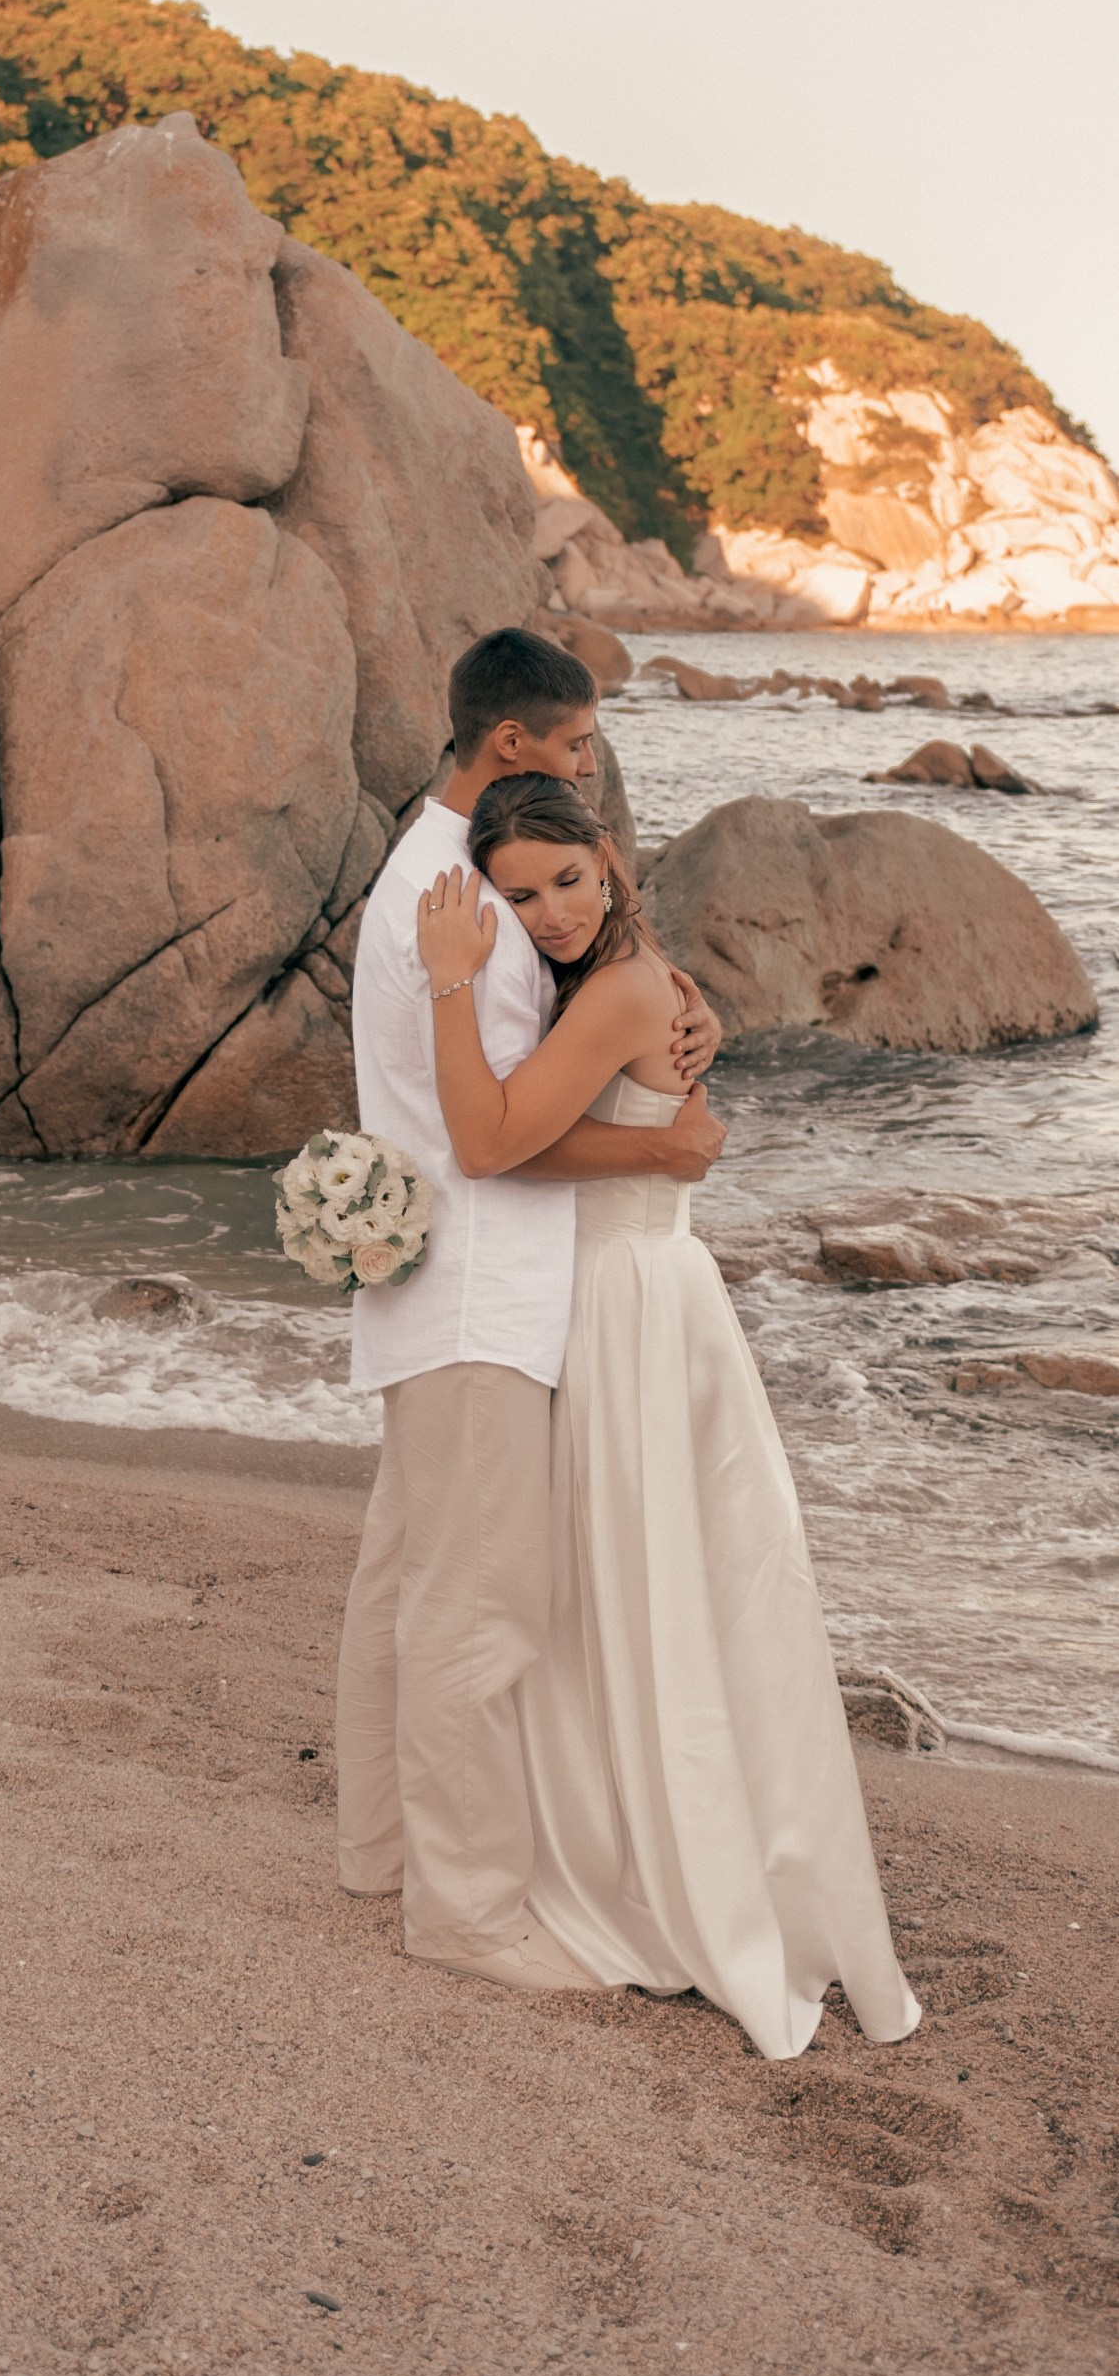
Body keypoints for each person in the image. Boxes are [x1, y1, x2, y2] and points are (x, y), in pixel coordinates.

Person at [413, 770, 918, 2058]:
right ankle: (637, 1838)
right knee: (633, 1587)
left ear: (610, 861)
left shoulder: (629, 988)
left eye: (567, 880)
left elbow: (488, 1144)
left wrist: (451, 982)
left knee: (647, 1585)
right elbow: (549, 1137)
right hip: (627, 1291)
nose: (551, 912)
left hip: (628, 1301)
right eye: (520, 898)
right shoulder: (622, 980)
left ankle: (666, 1866)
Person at [334, 628, 725, 1992]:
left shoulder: (438, 866)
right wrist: (663, 1148)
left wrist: (679, 1021)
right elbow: (493, 1137)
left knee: (408, 1577)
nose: (587, 765)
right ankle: (467, 1912)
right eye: (575, 744)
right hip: (477, 1293)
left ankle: (382, 1850)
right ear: (512, 742)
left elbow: (584, 1013)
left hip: (436, 1287)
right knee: (476, 1611)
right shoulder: (462, 903)